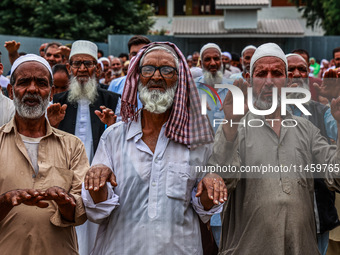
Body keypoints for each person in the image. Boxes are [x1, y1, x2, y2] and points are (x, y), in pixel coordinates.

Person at [81, 42, 227, 255]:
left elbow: (204, 210)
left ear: (179, 80)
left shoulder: (198, 140)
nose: (156, 76)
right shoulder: (114, 137)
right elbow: (97, 210)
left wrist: (211, 186)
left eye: (167, 70)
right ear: (137, 77)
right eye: (148, 69)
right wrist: (96, 180)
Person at [209, 42, 340, 254]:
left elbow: (337, 177)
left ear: (287, 81)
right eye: (261, 74)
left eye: (277, 73)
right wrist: (231, 123)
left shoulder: (306, 129)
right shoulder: (236, 127)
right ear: (250, 81)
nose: (269, 81)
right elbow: (224, 181)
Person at [0, 54, 88, 255]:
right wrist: (5, 200)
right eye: (23, 82)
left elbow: (82, 211)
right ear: (11, 90)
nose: (32, 89)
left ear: (51, 93)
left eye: (41, 83)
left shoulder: (72, 146)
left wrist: (65, 201)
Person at [48, 40, 120, 255]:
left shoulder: (112, 100)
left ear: (97, 68)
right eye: (77, 64)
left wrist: (113, 126)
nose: (82, 69)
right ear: (69, 68)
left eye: (87, 64)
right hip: (68, 176)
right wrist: (52, 125)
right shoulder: (56, 101)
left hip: (100, 175)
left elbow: (121, 139)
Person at [287, 53, 339, 255]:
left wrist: (336, 97)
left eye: (302, 69)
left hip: (317, 209)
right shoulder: (263, 112)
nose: (297, 74)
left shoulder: (322, 111)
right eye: (290, 70)